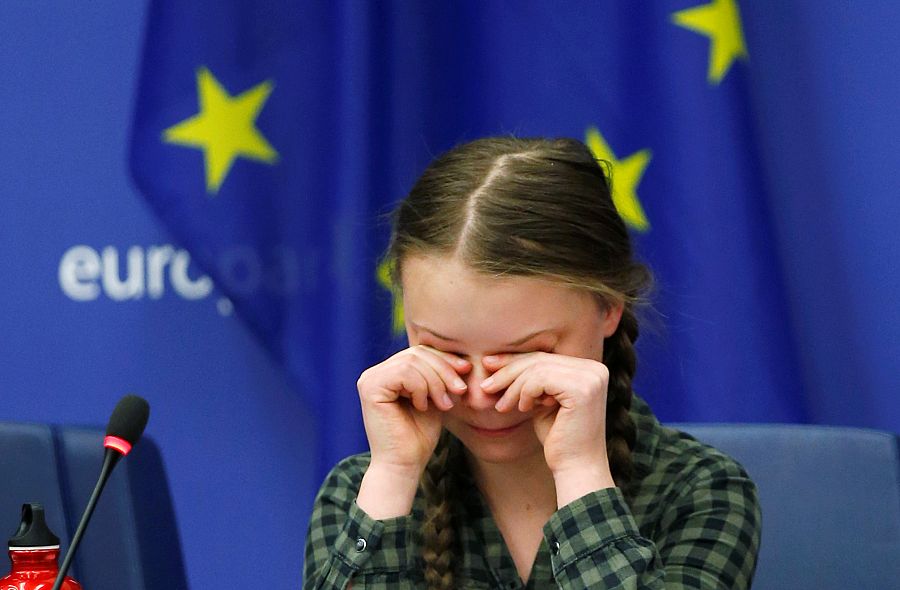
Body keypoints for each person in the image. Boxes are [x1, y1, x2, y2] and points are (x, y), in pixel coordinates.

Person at [303, 137, 761, 589]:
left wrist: (581, 473)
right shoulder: (359, 492)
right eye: (448, 352)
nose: (484, 395)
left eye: (524, 355)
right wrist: (395, 477)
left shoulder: (701, 490)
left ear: (609, 308)